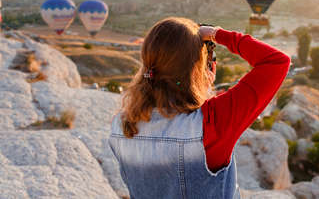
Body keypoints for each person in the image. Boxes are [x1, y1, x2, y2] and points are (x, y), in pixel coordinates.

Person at [109, 17, 290, 198]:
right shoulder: (211, 123)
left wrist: (200, 86)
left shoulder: (120, 125)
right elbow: (276, 62)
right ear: (197, 68)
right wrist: (216, 34)